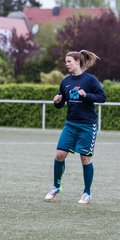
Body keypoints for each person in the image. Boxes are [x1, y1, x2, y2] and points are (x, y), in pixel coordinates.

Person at [45, 50, 106, 204]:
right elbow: (61, 104)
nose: (66, 64)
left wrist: (87, 95)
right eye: (65, 62)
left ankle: (87, 193)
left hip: (87, 126)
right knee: (59, 155)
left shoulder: (90, 80)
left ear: (78, 61)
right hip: (70, 125)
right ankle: (56, 187)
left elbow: (102, 97)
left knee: (85, 158)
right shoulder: (65, 82)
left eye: (69, 61)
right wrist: (57, 101)